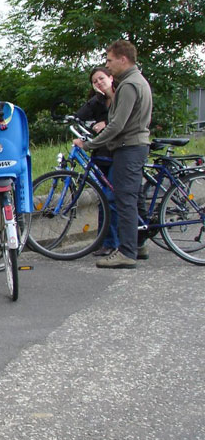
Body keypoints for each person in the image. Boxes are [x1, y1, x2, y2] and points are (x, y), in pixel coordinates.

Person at [75, 39, 152, 269]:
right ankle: (139, 244)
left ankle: (126, 253)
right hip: (136, 145)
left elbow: (117, 124)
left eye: (109, 60)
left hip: (129, 147)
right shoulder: (138, 80)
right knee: (135, 196)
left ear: (123, 59)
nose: (107, 66)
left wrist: (90, 144)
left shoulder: (128, 86)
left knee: (124, 200)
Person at [75, 66, 120, 256]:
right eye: (95, 82)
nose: (99, 83)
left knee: (110, 198)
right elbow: (79, 115)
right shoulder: (98, 102)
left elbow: (125, 121)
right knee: (103, 199)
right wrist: (98, 96)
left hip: (117, 153)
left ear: (111, 78)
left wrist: (106, 123)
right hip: (101, 154)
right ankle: (104, 241)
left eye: (101, 78)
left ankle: (112, 242)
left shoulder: (121, 97)